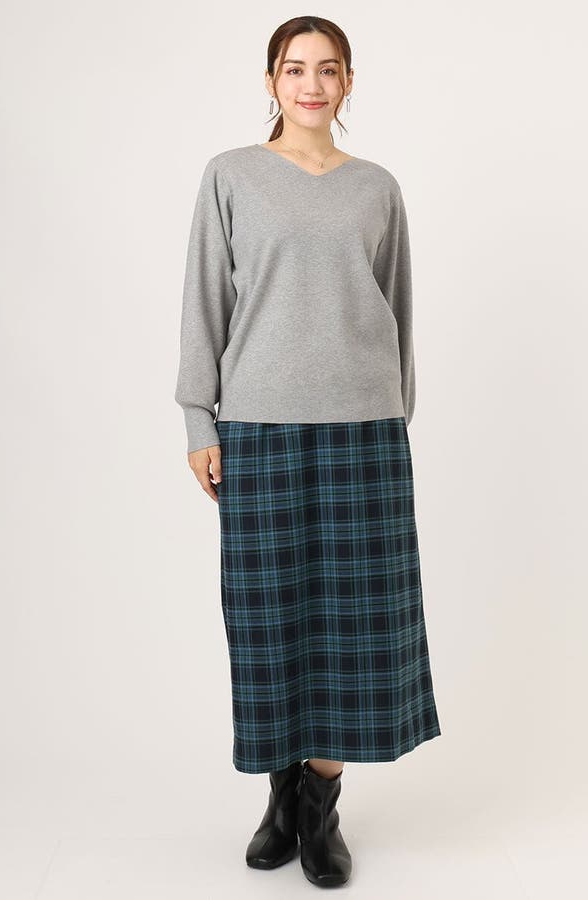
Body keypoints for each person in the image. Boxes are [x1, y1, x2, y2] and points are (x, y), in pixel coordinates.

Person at [174, 15, 442, 889]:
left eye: (328, 70)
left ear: (349, 81)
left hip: (365, 432)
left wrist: (395, 418)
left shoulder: (377, 188)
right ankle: (279, 793)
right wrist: (199, 420)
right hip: (259, 428)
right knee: (269, 619)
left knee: (356, 624)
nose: (312, 85)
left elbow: (398, 309)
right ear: (271, 82)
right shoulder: (232, 176)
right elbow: (204, 302)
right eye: (295, 69)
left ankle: (319, 804)